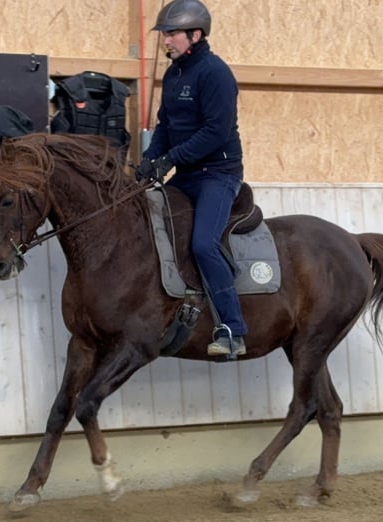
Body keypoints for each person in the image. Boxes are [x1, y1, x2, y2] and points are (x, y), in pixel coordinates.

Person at [137, 0, 247, 357]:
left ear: (195, 35)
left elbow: (216, 131)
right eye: (164, 34)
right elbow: (166, 126)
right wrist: (150, 159)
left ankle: (232, 330)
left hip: (218, 174)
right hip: (185, 173)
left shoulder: (215, 73)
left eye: (171, 34)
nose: (165, 40)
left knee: (202, 244)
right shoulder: (174, 74)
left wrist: (171, 159)